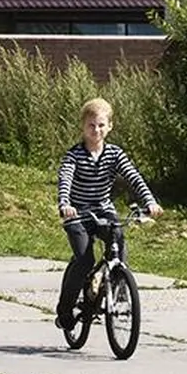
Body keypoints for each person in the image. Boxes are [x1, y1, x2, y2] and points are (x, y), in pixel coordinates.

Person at [54, 97, 161, 331]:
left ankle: (119, 290)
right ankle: (65, 310)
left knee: (118, 242)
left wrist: (150, 201)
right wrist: (65, 203)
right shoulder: (74, 156)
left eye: (101, 125)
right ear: (83, 127)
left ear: (110, 126)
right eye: (91, 125)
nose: (96, 130)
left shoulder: (115, 154)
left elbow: (134, 177)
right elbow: (65, 180)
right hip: (78, 214)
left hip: (103, 211)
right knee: (84, 260)